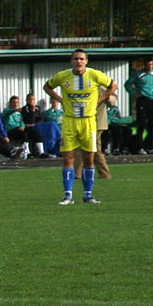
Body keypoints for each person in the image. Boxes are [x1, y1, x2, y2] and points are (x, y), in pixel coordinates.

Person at [43, 49, 117, 205]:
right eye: (76, 59)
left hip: (89, 121)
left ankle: (88, 195)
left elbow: (113, 85)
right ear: (71, 61)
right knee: (68, 158)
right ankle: (68, 196)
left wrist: (101, 98)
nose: (78, 61)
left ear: (86, 61)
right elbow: (47, 87)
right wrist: (60, 99)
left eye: (81, 59)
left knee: (88, 159)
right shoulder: (63, 76)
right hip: (70, 121)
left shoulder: (95, 75)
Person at [124, 58, 153, 155]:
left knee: (152, 122)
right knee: (141, 123)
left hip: (152, 100)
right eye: (148, 65)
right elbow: (127, 84)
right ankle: (139, 147)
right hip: (142, 100)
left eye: (151, 65)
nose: (150, 67)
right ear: (145, 65)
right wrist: (134, 94)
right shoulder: (139, 74)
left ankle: (151, 146)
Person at [20, 93, 50, 158]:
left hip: (36, 126)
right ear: (26, 100)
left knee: (40, 132)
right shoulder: (24, 109)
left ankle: (42, 152)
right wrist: (33, 112)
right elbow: (29, 120)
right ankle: (28, 152)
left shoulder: (38, 108)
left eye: (33, 99)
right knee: (33, 133)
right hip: (27, 127)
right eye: (30, 99)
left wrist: (36, 123)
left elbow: (41, 118)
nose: (31, 101)